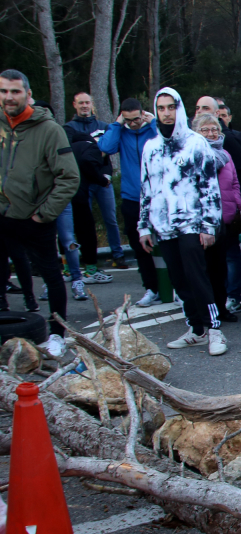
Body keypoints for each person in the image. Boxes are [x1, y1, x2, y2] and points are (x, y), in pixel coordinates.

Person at [137, 88, 227, 356]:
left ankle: (214, 329)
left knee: (197, 277)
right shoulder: (151, 147)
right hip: (164, 227)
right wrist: (144, 226)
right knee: (179, 280)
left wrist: (209, 225)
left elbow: (210, 187)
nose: (166, 113)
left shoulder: (195, 143)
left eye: (171, 107)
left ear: (180, 109)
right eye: (161, 108)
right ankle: (196, 329)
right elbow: (146, 189)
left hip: (192, 223)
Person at [0, 69, 81, 356]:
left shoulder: (48, 130)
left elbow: (70, 177)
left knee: (52, 276)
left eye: (15, 91)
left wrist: (44, 214)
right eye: (3, 91)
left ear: (27, 93)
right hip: (2, 214)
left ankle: (57, 334)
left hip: (34, 219)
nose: (9, 97)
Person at [98, 98, 162, 307]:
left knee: (167, 244)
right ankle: (151, 288)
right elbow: (106, 147)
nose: (133, 124)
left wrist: (152, 123)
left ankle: (174, 287)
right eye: (128, 120)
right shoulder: (121, 131)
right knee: (140, 247)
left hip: (157, 197)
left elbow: (166, 139)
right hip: (132, 198)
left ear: (143, 114)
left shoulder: (151, 130)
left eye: (136, 119)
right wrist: (117, 125)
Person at [66, 91, 127, 273]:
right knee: (81, 222)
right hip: (81, 183)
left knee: (110, 219)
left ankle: (118, 255)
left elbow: (107, 155)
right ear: (74, 105)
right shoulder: (69, 128)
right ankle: (78, 259)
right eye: (81, 103)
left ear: (92, 104)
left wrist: (107, 176)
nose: (84, 106)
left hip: (102, 182)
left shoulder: (103, 126)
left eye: (87, 103)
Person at [194, 113, 241, 325]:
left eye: (214, 129)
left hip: (224, 220)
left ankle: (221, 308)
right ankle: (204, 312)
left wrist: (237, 203)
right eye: (205, 130)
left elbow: (234, 184)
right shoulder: (193, 155)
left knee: (220, 268)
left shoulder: (226, 155)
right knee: (203, 269)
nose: (211, 133)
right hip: (201, 221)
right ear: (196, 132)